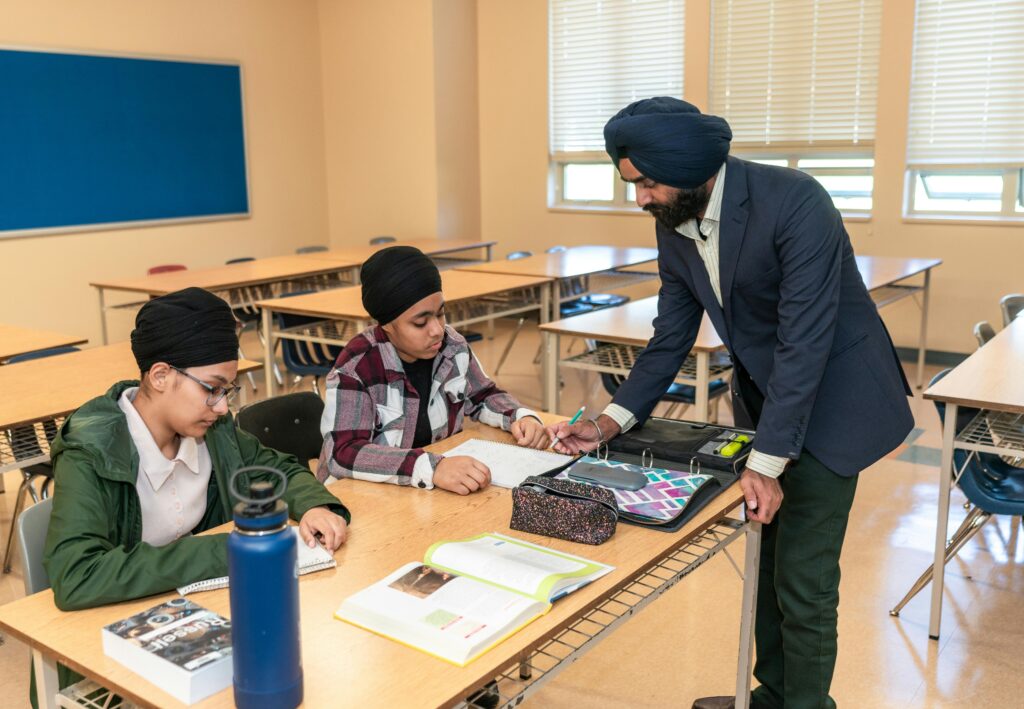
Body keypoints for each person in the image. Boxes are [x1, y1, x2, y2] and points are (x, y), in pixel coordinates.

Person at [548, 97, 913, 709]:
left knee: (804, 578)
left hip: (834, 402)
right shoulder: (675, 218)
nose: (640, 198)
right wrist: (610, 420)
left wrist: (766, 464)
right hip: (768, 401)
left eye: (648, 183)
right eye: (632, 184)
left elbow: (804, 341)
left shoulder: (796, 201)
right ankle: (773, 694)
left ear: (694, 168)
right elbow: (671, 334)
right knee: (769, 561)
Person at [318, 246, 548, 494]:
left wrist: (520, 416)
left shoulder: (451, 346)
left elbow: (482, 395)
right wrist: (431, 468)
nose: (437, 329)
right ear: (387, 325)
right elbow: (343, 452)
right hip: (363, 495)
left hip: (425, 492)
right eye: (420, 322)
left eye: (441, 314)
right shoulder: (357, 367)